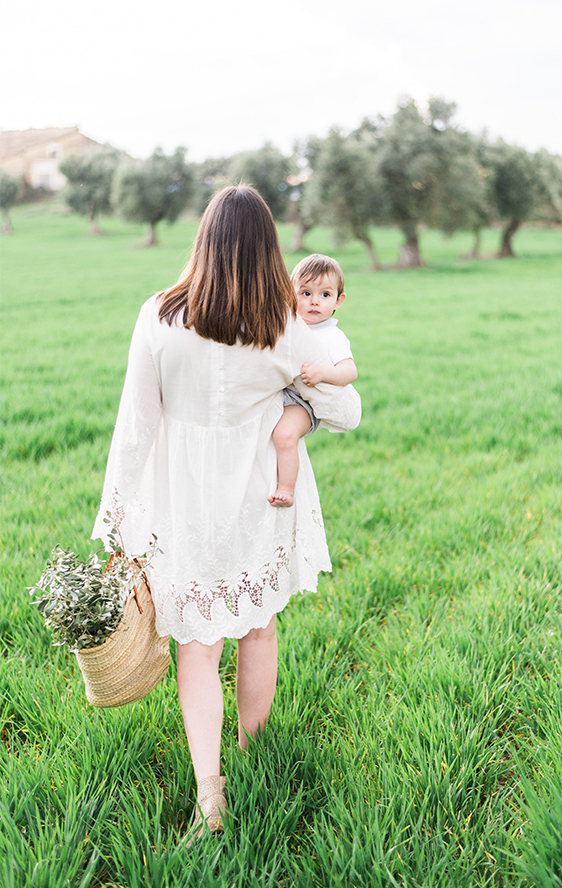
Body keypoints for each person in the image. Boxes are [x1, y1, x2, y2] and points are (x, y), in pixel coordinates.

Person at [92, 185, 361, 839]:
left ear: (204, 242)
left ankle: (209, 793)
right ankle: (253, 751)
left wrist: (116, 521)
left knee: (198, 645)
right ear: (268, 249)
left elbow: (135, 426)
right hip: (259, 497)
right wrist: (301, 405)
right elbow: (347, 411)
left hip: (184, 499)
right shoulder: (284, 327)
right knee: (258, 628)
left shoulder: (157, 315)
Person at [268, 254, 357, 508]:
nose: (314, 301)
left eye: (325, 295)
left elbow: (350, 372)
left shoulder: (332, 336)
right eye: (305, 293)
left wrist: (322, 373)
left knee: (285, 435)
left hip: (303, 402)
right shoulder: (287, 324)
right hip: (281, 391)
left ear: (339, 300)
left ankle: (286, 489)